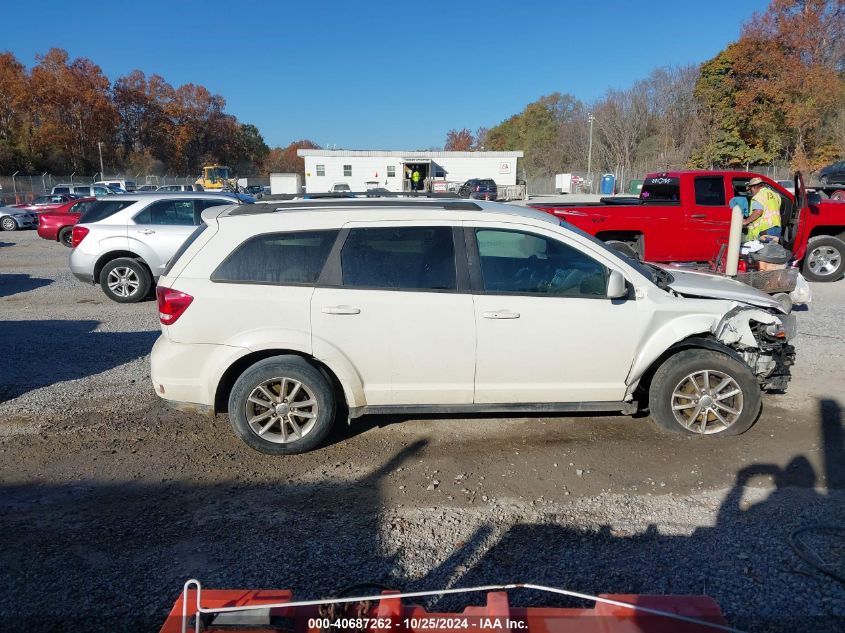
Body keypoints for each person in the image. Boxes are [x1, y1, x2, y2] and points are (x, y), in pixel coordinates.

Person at [744, 177, 782, 242]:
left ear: (754, 187)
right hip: (776, 227)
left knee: (764, 251)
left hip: (765, 230)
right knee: (773, 249)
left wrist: (746, 221)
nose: (751, 192)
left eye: (751, 189)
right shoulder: (775, 194)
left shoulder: (758, 196)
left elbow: (758, 211)